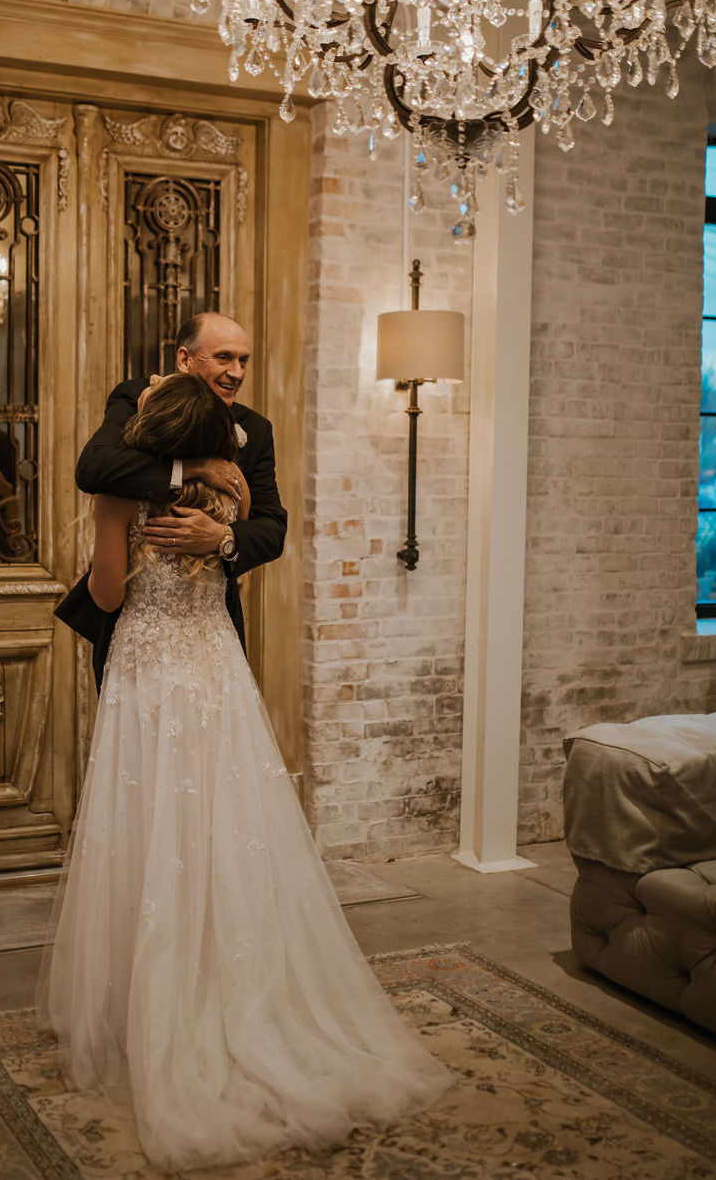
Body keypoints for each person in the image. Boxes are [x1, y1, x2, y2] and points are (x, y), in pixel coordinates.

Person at [39, 373, 452, 1172]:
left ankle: (159, 1005)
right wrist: (215, 529)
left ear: (154, 427)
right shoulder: (223, 493)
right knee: (230, 824)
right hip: (214, 664)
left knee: (147, 825)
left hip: (150, 670)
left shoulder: (128, 496)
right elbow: (233, 528)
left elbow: (109, 591)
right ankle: (235, 992)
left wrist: (109, 543)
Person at [53, 312, 287, 695]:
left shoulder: (255, 429)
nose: (237, 372)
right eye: (224, 357)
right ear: (184, 359)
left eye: (243, 360)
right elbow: (93, 468)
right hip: (137, 634)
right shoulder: (136, 399)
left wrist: (221, 537)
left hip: (212, 627)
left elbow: (272, 528)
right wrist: (191, 469)